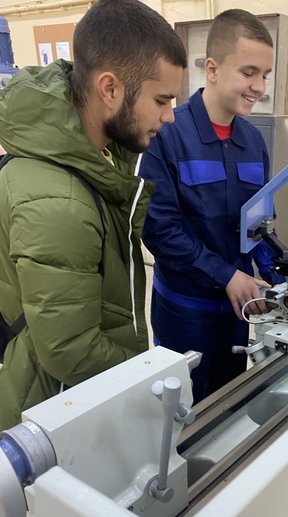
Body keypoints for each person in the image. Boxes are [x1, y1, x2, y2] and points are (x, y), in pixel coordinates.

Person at [0, 0, 186, 430]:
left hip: (80, 395)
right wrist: (148, 378)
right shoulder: (59, 203)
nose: (170, 116)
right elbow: (71, 350)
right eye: (161, 99)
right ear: (109, 89)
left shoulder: (98, 156)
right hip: (54, 410)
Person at [140, 8, 282, 404]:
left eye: (265, 75)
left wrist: (279, 276)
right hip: (185, 312)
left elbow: (257, 225)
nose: (259, 87)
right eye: (249, 72)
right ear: (213, 69)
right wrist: (227, 275)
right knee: (180, 413)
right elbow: (160, 232)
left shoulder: (253, 141)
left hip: (237, 312)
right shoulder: (167, 134)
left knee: (227, 406)